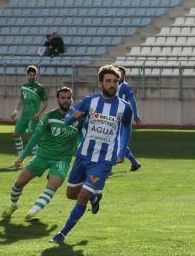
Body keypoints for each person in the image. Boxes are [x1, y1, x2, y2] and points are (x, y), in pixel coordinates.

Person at [49, 65, 133, 243]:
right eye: (108, 81)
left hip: (104, 161)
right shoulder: (90, 101)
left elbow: (126, 128)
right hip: (84, 155)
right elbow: (67, 118)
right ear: (100, 83)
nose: (112, 85)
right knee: (71, 194)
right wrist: (73, 116)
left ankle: (62, 234)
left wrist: (121, 151)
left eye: (115, 82)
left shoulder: (124, 107)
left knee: (81, 196)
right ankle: (95, 196)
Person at [1, 87, 83, 220]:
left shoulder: (79, 119)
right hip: (43, 155)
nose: (66, 100)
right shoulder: (49, 117)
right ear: (57, 99)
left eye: (69, 98)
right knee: (19, 183)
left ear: (72, 99)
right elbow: (35, 138)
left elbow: (82, 138)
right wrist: (21, 157)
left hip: (62, 159)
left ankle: (33, 211)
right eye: (63, 98)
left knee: (53, 185)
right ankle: (13, 205)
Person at [11, 65, 48, 157]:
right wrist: (16, 111)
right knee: (16, 134)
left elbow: (45, 103)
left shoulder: (40, 88)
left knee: (32, 138)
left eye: (34, 75)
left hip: (33, 117)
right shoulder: (24, 87)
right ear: (27, 75)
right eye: (30, 75)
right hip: (24, 116)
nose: (32, 77)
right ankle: (20, 154)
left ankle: (36, 158)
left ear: (36, 76)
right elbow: (21, 100)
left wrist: (39, 114)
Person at [116, 65, 143, 171]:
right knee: (117, 138)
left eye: (120, 73)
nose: (118, 75)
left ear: (124, 75)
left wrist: (136, 115)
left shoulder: (125, 86)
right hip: (114, 116)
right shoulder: (113, 86)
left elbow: (132, 100)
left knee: (121, 138)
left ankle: (120, 157)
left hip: (124, 114)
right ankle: (134, 162)